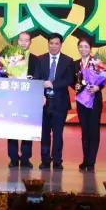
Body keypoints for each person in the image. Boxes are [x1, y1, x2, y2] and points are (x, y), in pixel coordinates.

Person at [38, 33, 74, 170]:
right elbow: (36, 78)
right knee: (44, 133)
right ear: (48, 44)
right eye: (51, 43)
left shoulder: (68, 60)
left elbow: (69, 79)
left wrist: (52, 84)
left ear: (61, 45)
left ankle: (57, 160)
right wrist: (42, 85)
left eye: (56, 43)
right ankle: (45, 160)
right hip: (43, 102)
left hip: (60, 103)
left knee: (58, 133)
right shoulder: (40, 59)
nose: (53, 46)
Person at [7, 31, 40, 169]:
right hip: (12, 97)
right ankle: (13, 158)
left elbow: (38, 79)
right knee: (11, 128)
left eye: (26, 40)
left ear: (30, 42)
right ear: (17, 41)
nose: (23, 43)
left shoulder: (35, 59)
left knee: (27, 129)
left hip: (28, 98)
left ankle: (26, 158)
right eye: (21, 40)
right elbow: (3, 75)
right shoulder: (8, 57)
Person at [73, 37, 103, 172]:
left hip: (94, 100)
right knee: (85, 131)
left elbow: (103, 80)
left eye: (86, 46)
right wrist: (75, 86)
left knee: (94, 131)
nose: (83, 49)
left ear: (90, 48)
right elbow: (72, 81)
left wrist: (98, 87)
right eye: (81, 46)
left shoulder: (97, 62)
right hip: (81, 101)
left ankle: (91, 161)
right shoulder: (75, 64)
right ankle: (85, 159)